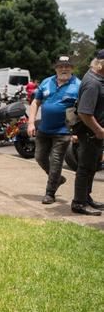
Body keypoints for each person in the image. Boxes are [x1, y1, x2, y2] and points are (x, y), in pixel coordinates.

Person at [27, 56, 81, 205]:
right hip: (44, 129)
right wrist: (31, 123)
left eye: (67, 66)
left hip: (63, 131)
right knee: (39, 157)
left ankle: (50, 193)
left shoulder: (78, 85)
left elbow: (82, 110)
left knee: (56, 161)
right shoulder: (46, 82)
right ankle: (58, 179)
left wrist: (77, 131)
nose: (64, 69)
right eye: (60, 66)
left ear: (72, 68)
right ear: (55, 68)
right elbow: (35, 102)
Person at [71, 49, 104, 216]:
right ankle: (79, 203)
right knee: (85, 168)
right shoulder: (93, 83)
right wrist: (99, 131)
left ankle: (86, 198)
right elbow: (84, 112)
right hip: (91, 133)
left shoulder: (97, 79)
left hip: (93, 134)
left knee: (91, 166)